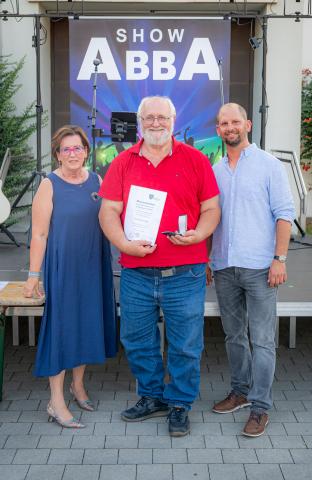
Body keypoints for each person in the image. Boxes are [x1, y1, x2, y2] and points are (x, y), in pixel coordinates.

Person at [98, 96, 220, 437]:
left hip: (186, 271)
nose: (155, 123)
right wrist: (124, 244)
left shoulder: (195, 159)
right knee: (136, 339)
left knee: (185, 344)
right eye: (149, 118)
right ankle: (152, 396)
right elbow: (108, 212)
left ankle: (180, 403)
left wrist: (198, 234)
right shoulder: (123, 162)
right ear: (139, 122)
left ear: (173, 119)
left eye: (161, 118)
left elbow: (211, 209)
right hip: (136, 271)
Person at [24, 125, 117, 428]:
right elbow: (38, 234)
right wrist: (33, 276)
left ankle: (78, 387)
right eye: (67, 149)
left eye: (78, 148)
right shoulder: (49, 185)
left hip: (93, 265)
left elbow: (109, 219)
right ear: (58, 154)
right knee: (62, 329)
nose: (73, 153)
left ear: (87, 152)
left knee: (86, 325)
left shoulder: (97, 181)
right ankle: (56, 401)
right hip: (63, 268)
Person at [210, 103, 295, 437]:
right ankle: (240, 392)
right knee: (233, 336)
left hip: (261, 267)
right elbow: (211, 218)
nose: (229, 127)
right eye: (223, 123)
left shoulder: (268, 165)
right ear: (217, 130)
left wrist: (280, 259)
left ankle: (261, 408)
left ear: (247, 124)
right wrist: (207, 258)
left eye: (234, 121)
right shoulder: (215, 170)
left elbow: (284, 214)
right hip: (224, 267)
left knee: (262, 340)